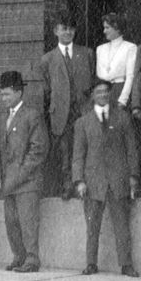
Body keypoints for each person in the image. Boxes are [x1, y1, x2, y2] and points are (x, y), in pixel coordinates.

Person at [69, 77, 138, 276]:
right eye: (99, 92)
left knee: (122, 226)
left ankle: (126, 264)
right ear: (92, 96)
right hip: (93, 181)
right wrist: (79, 181)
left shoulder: (122, 118)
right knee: (92, 225)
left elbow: (131, 149)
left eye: (106, 92)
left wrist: (133, 175)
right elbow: (78, 155)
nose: (103, 95)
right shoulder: (83, 123)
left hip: (118, 179)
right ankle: (91, 263)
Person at [0, 70, 47, 272]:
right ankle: (19, 256)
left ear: (18, 93)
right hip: (9, 180)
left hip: (27, 182)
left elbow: (38, 149)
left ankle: (32, 260)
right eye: (2, 94)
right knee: (12, 223)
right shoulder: (3, 119)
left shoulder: (32, 116)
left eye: (6, 94)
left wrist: (20, 175)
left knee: (28, 222)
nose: (3, 98)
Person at [38, 18, 94, 198]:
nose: (68, 32)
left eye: (71, 29)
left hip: (83, 110)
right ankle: (67, 185)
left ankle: (84, 184)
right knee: (64, 150)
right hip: (61, 113)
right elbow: (47, 89)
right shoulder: (47, 59)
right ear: (56, 31)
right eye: (64, 29)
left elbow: (92, 80)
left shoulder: (86, 54)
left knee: (84, 147)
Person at [95, 12, 141, 117]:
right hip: (103, 91)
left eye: (107, 28)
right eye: (104, 28)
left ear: (117, 28)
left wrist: (123, 100)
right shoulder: (100, 49)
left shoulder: (130, 48)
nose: (104, 31)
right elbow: (99, 74)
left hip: (120, 90)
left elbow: (130, 76)